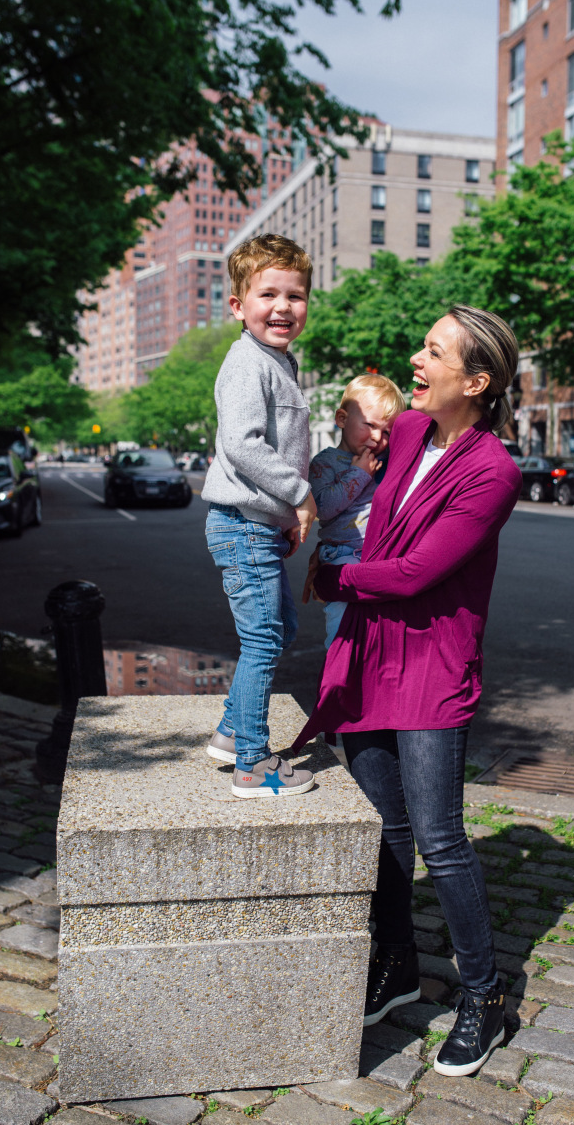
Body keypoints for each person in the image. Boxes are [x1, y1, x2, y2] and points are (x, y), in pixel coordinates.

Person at [295, 305, 522, 1076]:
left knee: (439, 838)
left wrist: (337, 577)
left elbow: (422, 570)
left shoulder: (494, 470)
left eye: (433, 352)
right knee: (383, 826)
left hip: (431, 663)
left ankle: (483, 994)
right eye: (421, 346)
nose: (415, 361)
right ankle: (394, 965)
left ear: (478, 380)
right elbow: (352, 498)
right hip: (370, 650)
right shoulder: (406, 436)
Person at [202, 234, 317, 799]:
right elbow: (244, 445)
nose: (282, 307)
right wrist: (299, 496)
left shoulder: (277, 360)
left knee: (279, 629)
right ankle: (252, 763)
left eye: (294, 296)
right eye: (267, 293)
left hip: (258, 524)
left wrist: (284, 516)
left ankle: (229, 731)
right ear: (237, 306)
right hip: (241, 523)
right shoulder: (248, 362)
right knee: (265, 637)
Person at [309, 374, 406, 650]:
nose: (378, 438)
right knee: (343, 632)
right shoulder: (325, 462)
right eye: (370, 425)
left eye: (387, 432)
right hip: (341, 557)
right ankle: (338, 674)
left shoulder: (384, 459)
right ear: (341, 419)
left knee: (377, 635)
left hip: (377, 556)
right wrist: (358, 474)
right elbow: (324, 509)